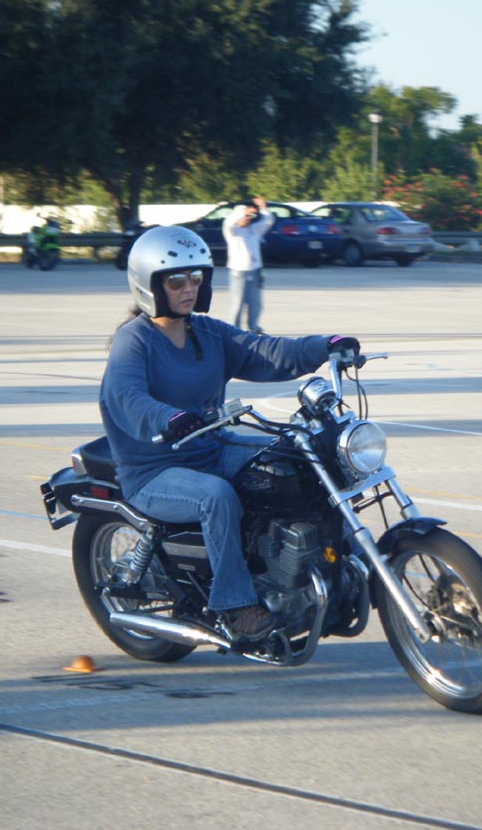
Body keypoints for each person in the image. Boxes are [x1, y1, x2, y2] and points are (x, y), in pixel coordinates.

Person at [99, 225, 359, 641]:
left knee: (300, 457)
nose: (189, 288)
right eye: (176, 280)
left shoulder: (207, 332)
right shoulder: (134, 341)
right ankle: (234, 607)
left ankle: (338, 565)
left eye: (196, 278)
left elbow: (267, 351)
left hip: (211, 448)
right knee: (216, 497)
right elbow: (126, 397)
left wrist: (324, 345)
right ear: (150, 284)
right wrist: (169, 418)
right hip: (154, 470)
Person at [222, 196, 274, 333]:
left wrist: (263, 208)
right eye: (246, 216)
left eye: (250, 217)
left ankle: (254, 328)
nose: (248, 219)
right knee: (237, 303)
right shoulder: (232, 231)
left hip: (255, 270)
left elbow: (268, 221)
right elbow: (228, 222)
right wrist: (243, 212)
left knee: (256, 304)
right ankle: (234, 330)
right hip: (239, 272)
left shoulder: (254, 230)